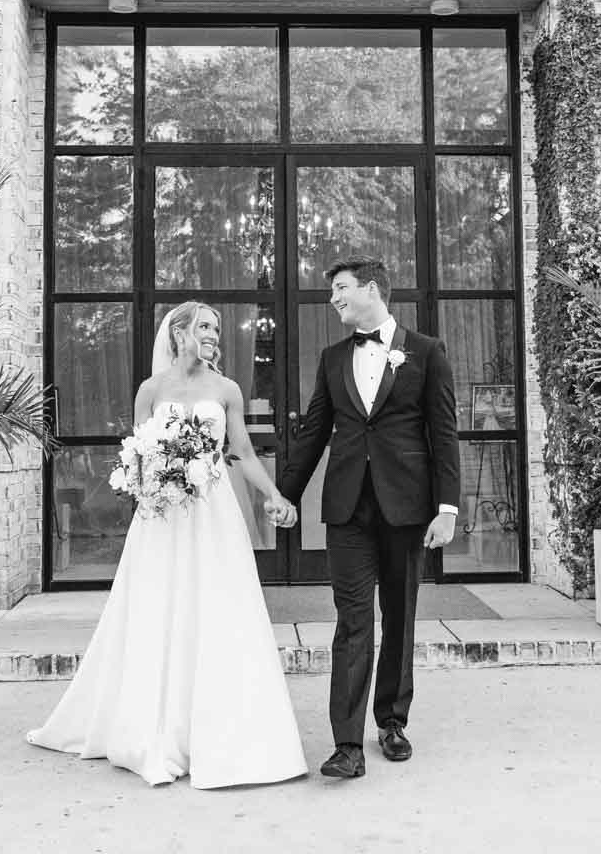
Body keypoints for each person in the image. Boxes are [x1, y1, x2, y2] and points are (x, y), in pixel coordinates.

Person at [27, 301, 307, 788]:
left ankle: (219, 730)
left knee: (217, 608)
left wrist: (275, 495)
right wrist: (152, 478)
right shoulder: (151, 390)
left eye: (216, 328)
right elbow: (137, 453)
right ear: (179, 333)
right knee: (159, 607)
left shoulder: (227, 390)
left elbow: (239, 451)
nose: (212, 334)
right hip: (162, 516)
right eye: (204, 326)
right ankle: (155, 728)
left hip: (212, 514)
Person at [272, 254, 461, 780]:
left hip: (407, 508)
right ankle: (347, 744)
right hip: (348, 510)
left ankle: (393, 722)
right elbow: (313, 431)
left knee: (398, 616)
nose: (333, 298)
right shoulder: (333, 358)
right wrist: (285, 494)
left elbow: (443, 434)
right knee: (352, 622)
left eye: (341, 288)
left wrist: (446, 508)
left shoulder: (426, 352)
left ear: (372, 289)